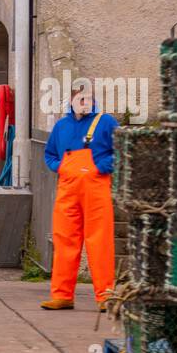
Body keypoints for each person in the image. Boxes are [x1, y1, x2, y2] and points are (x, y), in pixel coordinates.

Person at [41, 83, 117, 310]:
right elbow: (50, 153)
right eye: (79, 98)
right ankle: (62, 295)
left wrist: (101, 167)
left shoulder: (106, 122)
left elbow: (122, 150)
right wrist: (61, 167)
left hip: (96, 188)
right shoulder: (61, 126)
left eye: (88, 98)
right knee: (64, 240)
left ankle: (105, 297)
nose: (84, 102)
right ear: (71, 100)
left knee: (100, 242)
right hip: (67, 189)